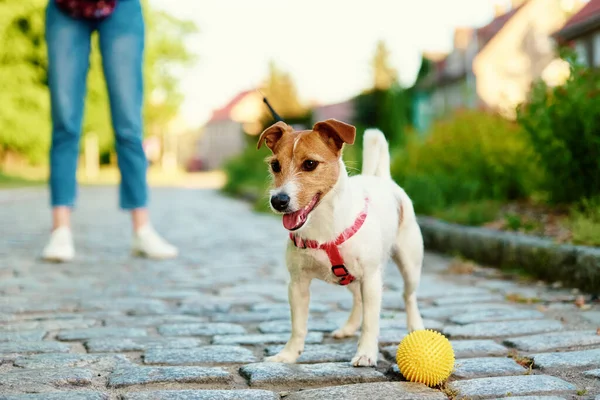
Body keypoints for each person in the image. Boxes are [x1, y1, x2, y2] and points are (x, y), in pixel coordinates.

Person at [42, 0, 178, 262]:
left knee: (129, 122)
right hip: (65, 8)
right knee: (65, 121)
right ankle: (60, 231)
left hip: (120, 7)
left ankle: (142, 229)